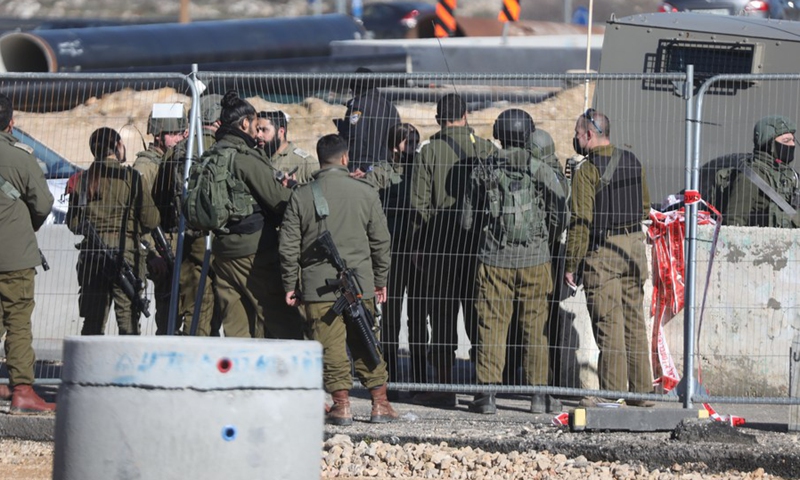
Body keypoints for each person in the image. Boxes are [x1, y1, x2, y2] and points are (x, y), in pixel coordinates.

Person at [279, 134, 396, 425]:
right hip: (359, 285)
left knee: (330, 346)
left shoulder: (302, 195)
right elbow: (381, 241)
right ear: (345, 159)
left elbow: (288, 246)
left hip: (318, 287)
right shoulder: (366, 192)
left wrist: (290, 284)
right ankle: (380, 403)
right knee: (366, 340)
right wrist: (380, 280)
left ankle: (341, 406)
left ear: (320, 160)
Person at [464, 109, 568, 415]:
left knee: (491, 326)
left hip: (494, 258)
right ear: (527, 135)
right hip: (536, 258)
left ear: (498, 134)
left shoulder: (482, 169)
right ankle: (538, 396)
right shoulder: (540, 168)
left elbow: (468, 221)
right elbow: (561, 208)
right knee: (535, 329)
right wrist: (548, 237)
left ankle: (487, 396)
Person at [409, 93, 498, 406]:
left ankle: (445, 386)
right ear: (466, 114)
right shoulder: (486, 148)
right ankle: (483, 389)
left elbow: (418, 206)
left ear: (438, 119)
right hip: (479, 250)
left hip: (439, 248)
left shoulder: (428, 152)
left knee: (443, 317)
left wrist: (419, 246)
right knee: (480, 318)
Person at [564, 109, 654, 407]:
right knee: (634, 322)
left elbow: (580, 222)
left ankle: (612, 396)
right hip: (634, 248)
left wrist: (571, 264)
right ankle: (642, 393)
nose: (576, 140)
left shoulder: (587, 172)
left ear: (589, 134)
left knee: (608, 325)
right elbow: (644, 208)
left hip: (602, 252)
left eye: (577, 135)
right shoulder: (633, 161)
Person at [209, 91, 303, 340]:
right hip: (252, 253)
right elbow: (278, 201)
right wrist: (292, 191)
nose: (257, 131)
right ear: (244, 124)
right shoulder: (245, 158)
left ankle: (241, 378)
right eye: (255, 124)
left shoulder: (214, 154)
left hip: (221, 250)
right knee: (283, 322)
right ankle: (292, 377)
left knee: (236, 327)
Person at [67, 127, 160, 335]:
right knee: (128, 320)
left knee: (92, 321)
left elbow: (73, 223)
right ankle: (126, 367)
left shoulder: (83, 180)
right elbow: (151, 220)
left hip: (93, 256)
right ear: (118, 146)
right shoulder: (131, 178)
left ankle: (89, 367)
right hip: (126, 253)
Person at [0, 93, 56, 413]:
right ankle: (22, 390)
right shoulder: (21, 158)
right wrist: (26, 225)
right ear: (11, 123)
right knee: (18, 322)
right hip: (16, 257)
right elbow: (44, 204)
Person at [366, 123, 429, 398]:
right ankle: (388, 379)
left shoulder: (421, 169)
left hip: (417, 251)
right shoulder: (380, 172)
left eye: (416, 140)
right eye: (408, 142)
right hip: (390, 253)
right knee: (390, 320)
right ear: (394, 146)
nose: (413, 146)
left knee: (418, 318)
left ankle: (419, 380)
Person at [134, 107, 188, 335]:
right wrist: (151, 254)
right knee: (168, 318)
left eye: (182, 132)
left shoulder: (172, 160)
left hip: (174, 244)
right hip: (159, 249)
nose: (180, 137)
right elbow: (137, 216)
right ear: (158, 135)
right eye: (173, 133)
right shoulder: (146, 167)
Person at [724, 115, 800, 227]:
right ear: (769, 144)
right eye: (786, 140)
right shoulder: (751, 176)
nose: (792, 145)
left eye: (793, 140)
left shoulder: (792, 176)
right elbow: (734, 221)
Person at [335, 67, 401, 176]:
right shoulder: (390, 106)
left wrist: (359, 166)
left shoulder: (358, 106)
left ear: (356, 87)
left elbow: (356, 137)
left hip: (361, 169)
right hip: (385, 169)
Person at [255, 110, 318, 184]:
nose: (258, 135)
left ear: (281, 131)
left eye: (264, 130)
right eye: (257, 130)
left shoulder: (306, 164)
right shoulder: (254, 157)